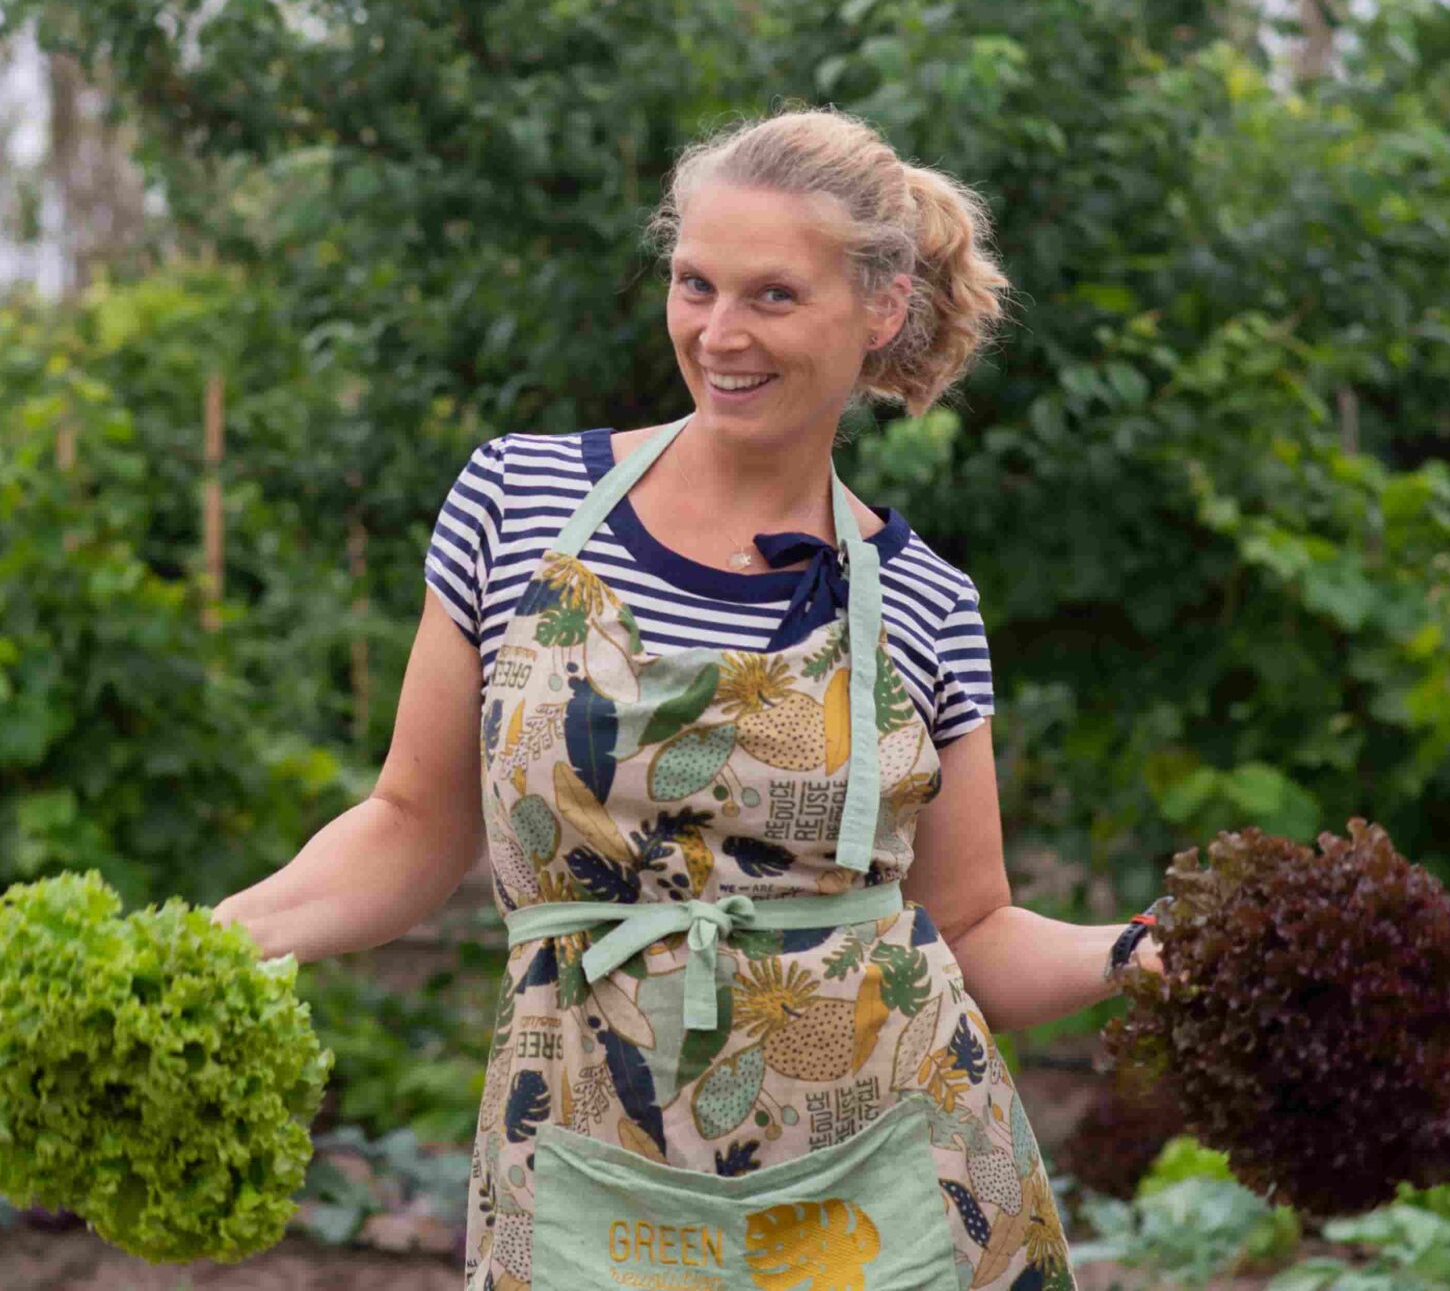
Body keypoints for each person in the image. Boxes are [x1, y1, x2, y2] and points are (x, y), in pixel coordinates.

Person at [213, 108, 1164, 1291]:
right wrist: (215, 946)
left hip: (885, 1186)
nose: (720, 333)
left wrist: (1134, 953)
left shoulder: (926, 603)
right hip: (582, 1163)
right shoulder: (516, 503)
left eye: (772, 296)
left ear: (881, 308)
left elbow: (969, 933)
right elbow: (413, 822)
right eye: (694, 284)